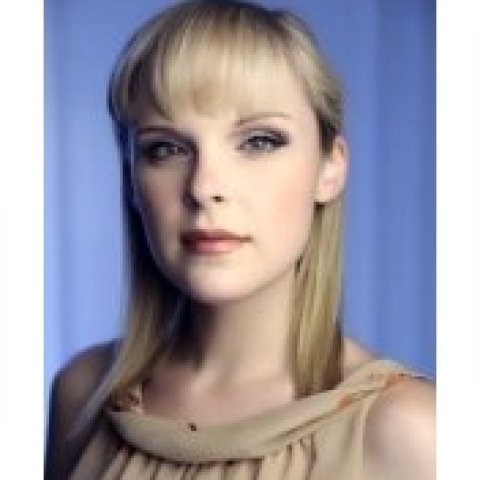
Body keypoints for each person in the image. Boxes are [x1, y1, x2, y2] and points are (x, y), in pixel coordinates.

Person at [45, 1, 435, 479]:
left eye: (259, 141)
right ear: (131, 179)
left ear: (330, 168)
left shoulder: (413, 432)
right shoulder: (82, 396)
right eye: (165, 148)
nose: (204, 185)